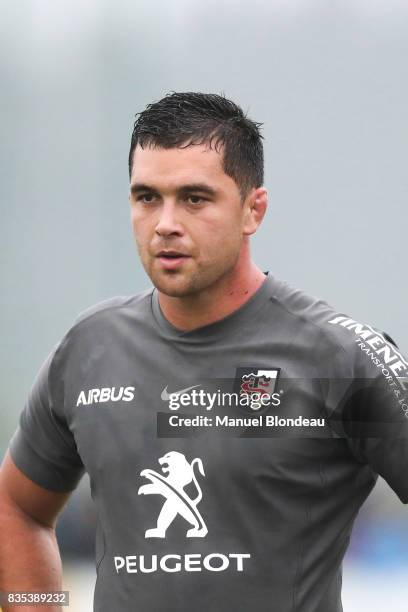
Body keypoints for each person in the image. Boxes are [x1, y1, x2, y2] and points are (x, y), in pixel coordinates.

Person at [0, 92, 407, 612]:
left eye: (194, 198)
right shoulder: (88, 350)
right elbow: (17, 507)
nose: (165, 222)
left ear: (252, 210)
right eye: (147, 197)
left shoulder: (340, 357)